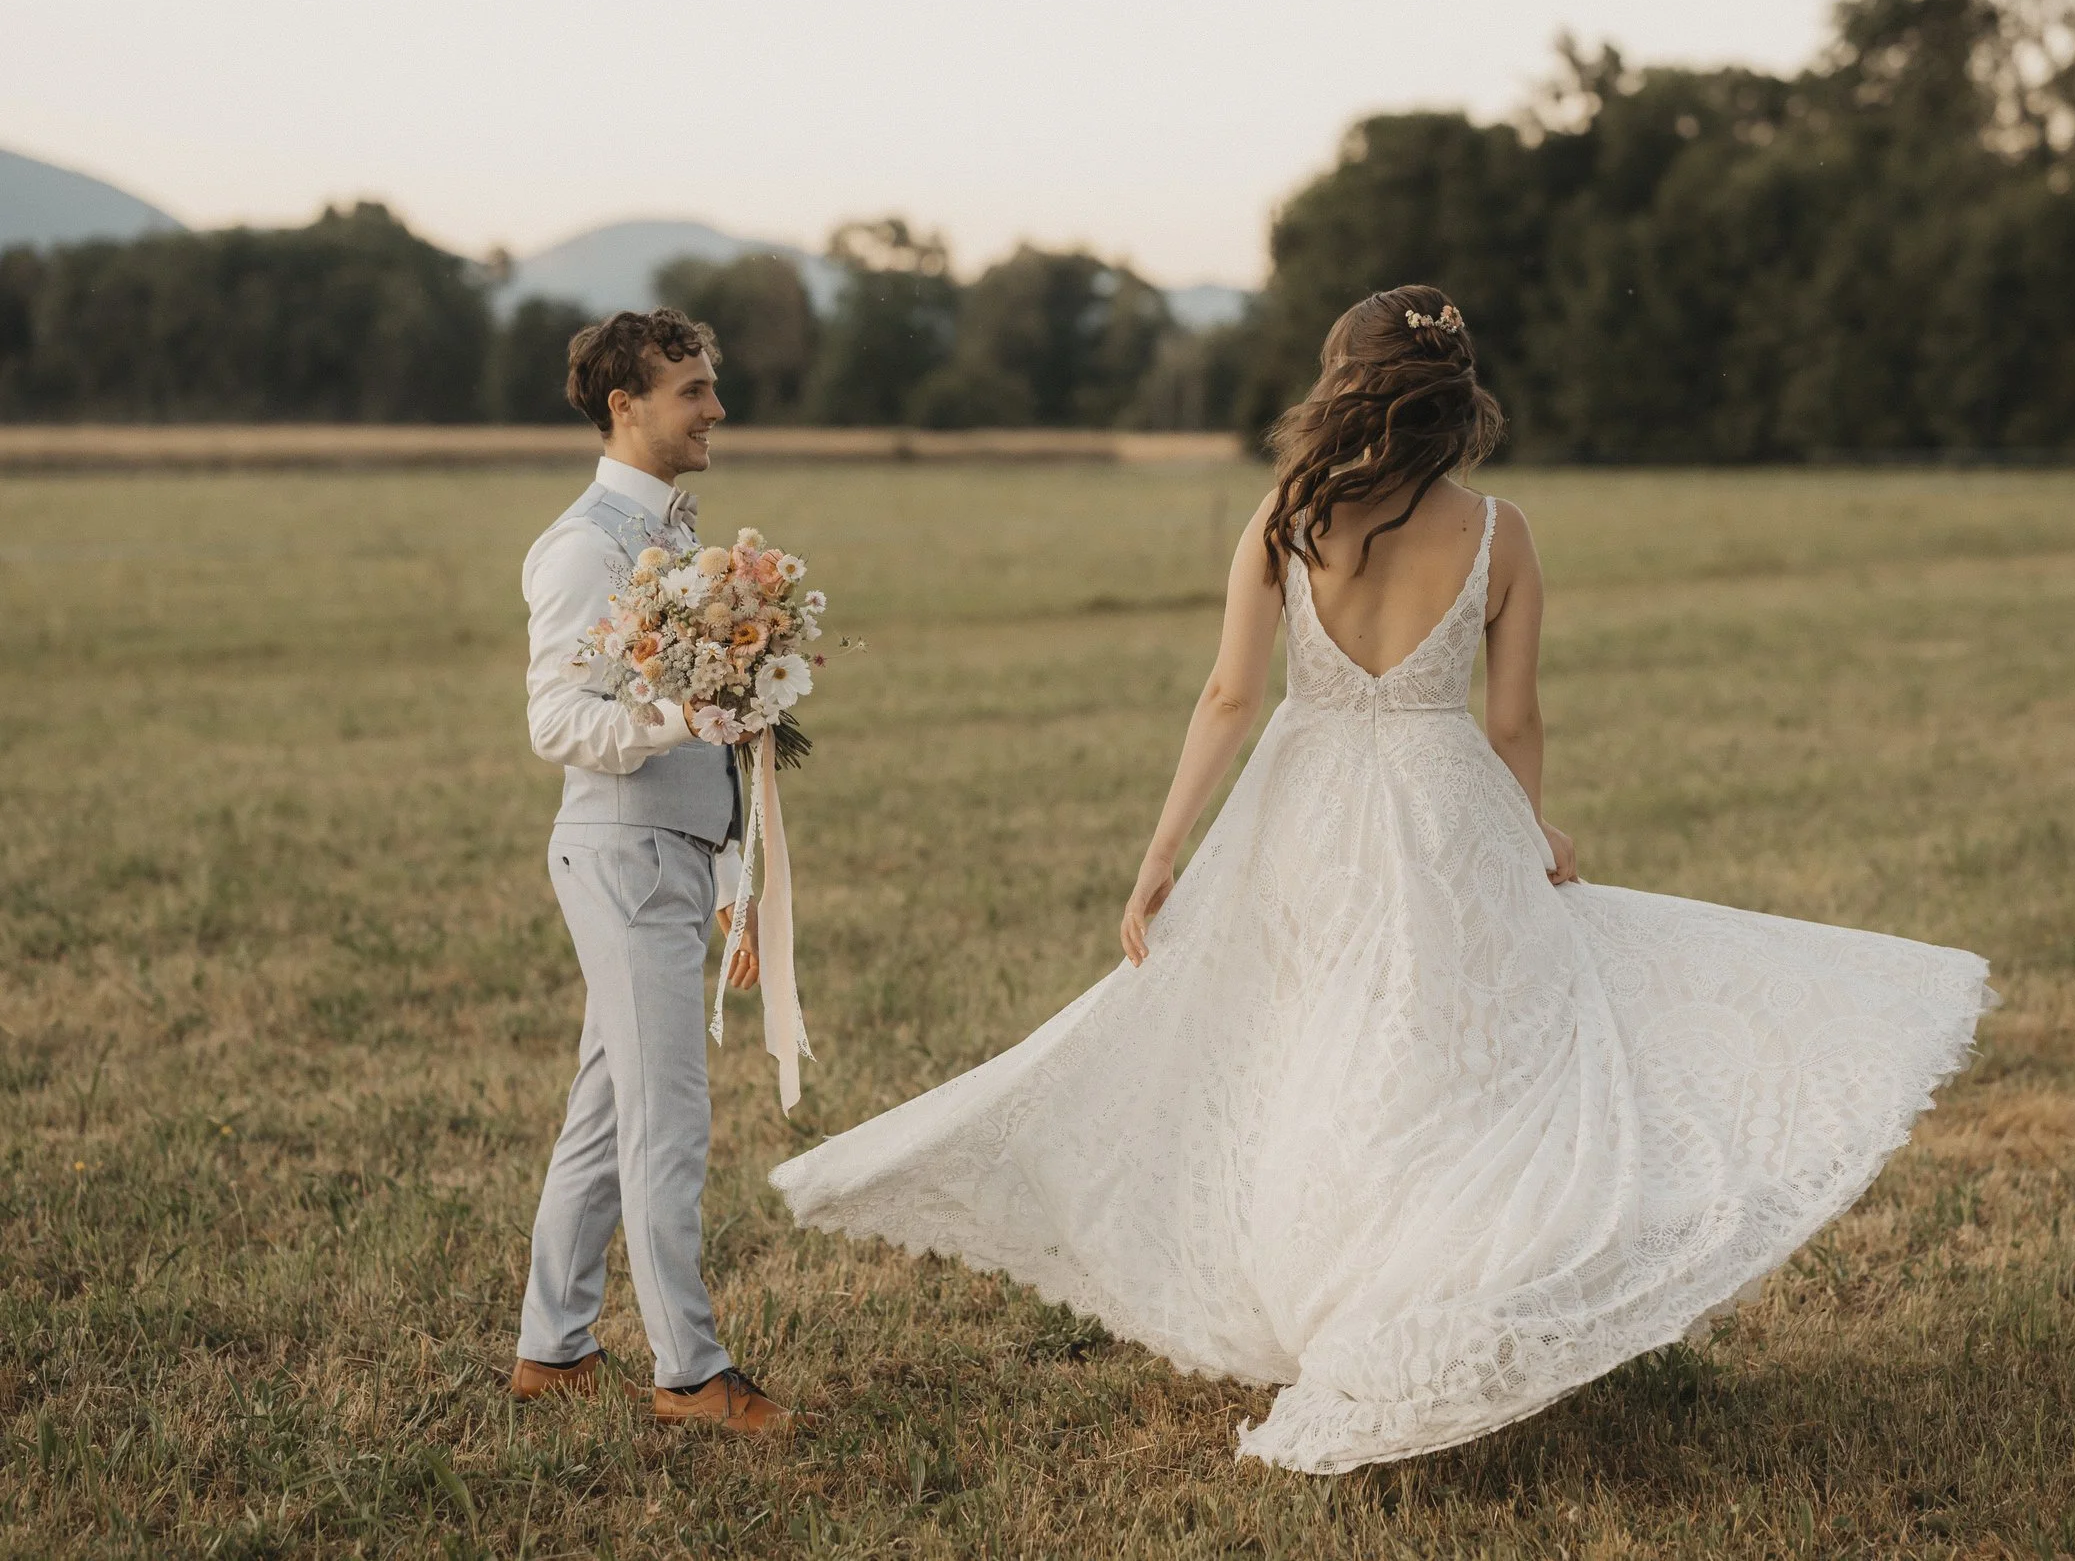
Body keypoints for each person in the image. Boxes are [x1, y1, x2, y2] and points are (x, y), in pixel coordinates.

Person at [771, 286, 1991, 1472]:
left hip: (1301, 810)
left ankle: (1351, 1305)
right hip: (1443, 805)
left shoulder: (1284, 518)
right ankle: (1419, 1298)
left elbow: (1230, 697)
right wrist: (1534, 824)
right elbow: (1512, 718)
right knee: (1453, 1059)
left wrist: (1161, 857)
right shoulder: (1500, 530)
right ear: (1453, 397)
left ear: (1340, 385)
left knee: (1319, 1046)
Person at [510, 308, 793, 1435]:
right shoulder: (587, 546)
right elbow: (555, 719)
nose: (715, 406)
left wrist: (732, 870)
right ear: (625, 405)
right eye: (692, 389)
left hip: (673, 852)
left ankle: (552, 1348)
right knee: (665, 1121)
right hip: (621, 853)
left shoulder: (676, 542)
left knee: (605, 1111)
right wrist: (679, 713)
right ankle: (690, 1371)